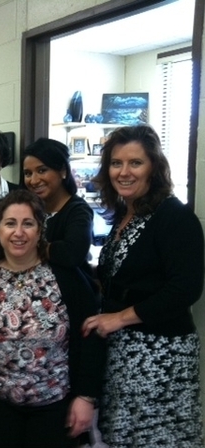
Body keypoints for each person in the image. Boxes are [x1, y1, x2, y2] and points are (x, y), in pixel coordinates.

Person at [81, 125, 204, 448]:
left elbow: (185, 289)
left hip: (160, 353)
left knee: (157, 439)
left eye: (135, 163)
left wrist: (119, 318)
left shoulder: (174, 217)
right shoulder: (126, 214)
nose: (124, 172)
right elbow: (123, 276)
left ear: (154, 167)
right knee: (123, 438)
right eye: (115, 163)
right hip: (123, 352)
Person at [0, 190, 105, 448]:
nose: (19, 232)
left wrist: (86, 397)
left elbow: (90, 337)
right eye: (10, 223)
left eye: (28, 223)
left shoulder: (66, 277)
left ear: (40, 231)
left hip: (56, 408)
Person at [22, 137, 94, 273]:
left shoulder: (78, 210)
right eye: (28, 173)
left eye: (42, 170)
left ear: (63, 171)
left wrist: (25, 246)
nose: (34, 180)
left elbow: (72, 254)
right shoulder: (29, 209)